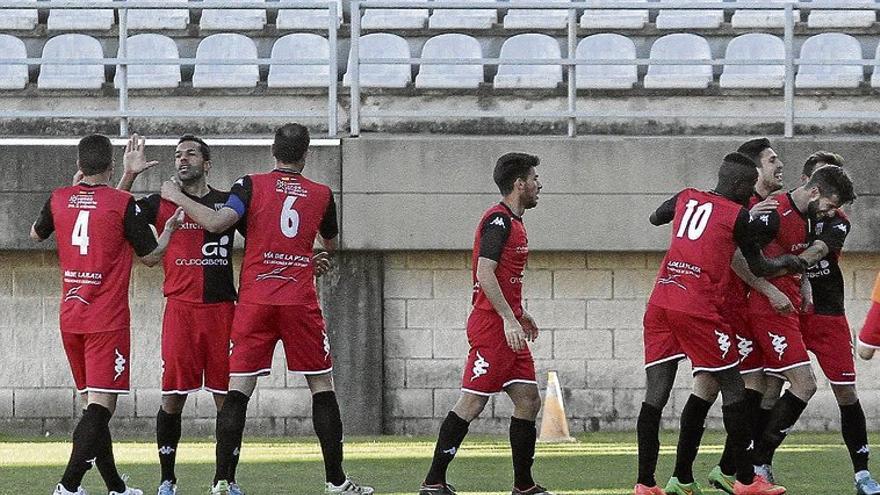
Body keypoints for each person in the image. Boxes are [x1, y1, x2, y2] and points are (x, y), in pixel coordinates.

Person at [159, 123, 366, 495]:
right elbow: (329, 243)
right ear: (306, 154)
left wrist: (175, 195)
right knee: (321, 385)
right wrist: (311, 257)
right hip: (299, 301)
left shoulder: (249, 184)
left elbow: (218, 221)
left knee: (238, 390)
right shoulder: (321, 193)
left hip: (255, 300)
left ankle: (223, 481)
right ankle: (336, 481)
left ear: (273, 151)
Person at [634, 151, 803, 495]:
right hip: (697, 308)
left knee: (656, 394)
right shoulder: (738, 214)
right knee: (734, 387)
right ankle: (744, 481)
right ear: (742, 185)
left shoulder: (686, 196)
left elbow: (655, 217)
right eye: (751, 184)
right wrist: (794, 261)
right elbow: (759, 267)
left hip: (661, 301)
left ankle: (647, 483)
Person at [31, 134, 182, 495]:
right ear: (111, 165)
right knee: (100, 409)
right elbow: (148, 257)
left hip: (71, 317)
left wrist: (79, 191)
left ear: (79, 165)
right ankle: (67, 487)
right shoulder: (120, 204)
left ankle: (116, 487)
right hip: (106, 321)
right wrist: (169, 233)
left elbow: (36, 234)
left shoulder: (59, 198)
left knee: (92, 408)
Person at [116, 134, 243, 495]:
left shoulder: (226, 202)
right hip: (180, 312)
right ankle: (167, 479)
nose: (182, 159)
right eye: (177, 155)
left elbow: (265, 233)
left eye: (190, 153)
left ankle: (225, 480)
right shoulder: (159, 203)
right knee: (172, 397)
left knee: (227, 400)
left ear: (207, 163)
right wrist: (129, 176)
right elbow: (117, 210)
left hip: (221, 312)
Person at [418, 152, 550, 495]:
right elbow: (485, 272)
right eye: (534, 179)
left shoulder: (515, 222)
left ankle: (523, 485)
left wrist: (519, 314)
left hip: (509, 326)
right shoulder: (498, 221)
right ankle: (433, 481)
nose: (539, 185)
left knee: (528, 400)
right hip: (493, 329)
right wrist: (508, 319)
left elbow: (502, 278)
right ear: (519, 184)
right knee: (472, 402)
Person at [759, 152, 880, 495]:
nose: (831, 205)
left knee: (846, 392)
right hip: (789, 311)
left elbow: (819, 251)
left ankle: (862, 475)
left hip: (827, 311)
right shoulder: (780, 210)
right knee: (775, 386)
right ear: (810, 185)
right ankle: (759, 464)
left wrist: (784, 266)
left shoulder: (838, 219)